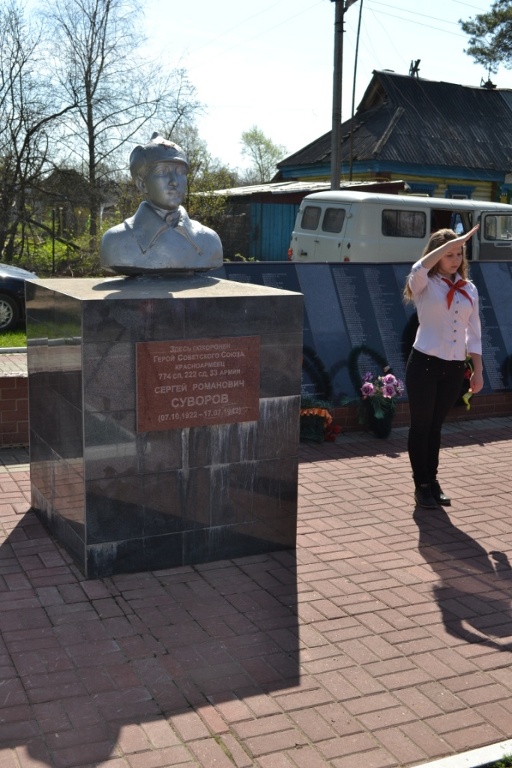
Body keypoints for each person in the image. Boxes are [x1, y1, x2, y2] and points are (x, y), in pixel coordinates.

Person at [403, 225, 483, 509]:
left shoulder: (469, 288)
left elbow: (474, 333)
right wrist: (449, 243)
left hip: (453, 368)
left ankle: (433, 481)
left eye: (459, 253)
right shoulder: (424, 282)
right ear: (436, 255)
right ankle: (421, 485)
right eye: (449, 254)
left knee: (436, 427)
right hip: (424, 364)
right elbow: (418, 268)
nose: (455, 259)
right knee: (421, 426)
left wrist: (478, 370)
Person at [100, 132, 223, 275]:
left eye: (180, 172)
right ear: (142, 184)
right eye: (163, 172)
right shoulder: (115, 242)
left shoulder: (209, 240)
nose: (174, 181)